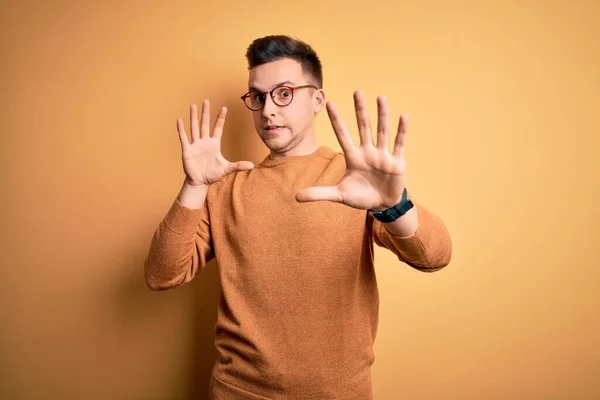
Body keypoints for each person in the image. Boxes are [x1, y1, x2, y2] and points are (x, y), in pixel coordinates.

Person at [144, 34, 452, 400]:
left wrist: (392, 206)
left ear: (317, 99)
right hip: (238, 392)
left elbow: (435, 256)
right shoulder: (225, 189)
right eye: (258, 97)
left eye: (284, 93)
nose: (268, 109)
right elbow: (161, 275)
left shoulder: (356, 181)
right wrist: (193, 186)